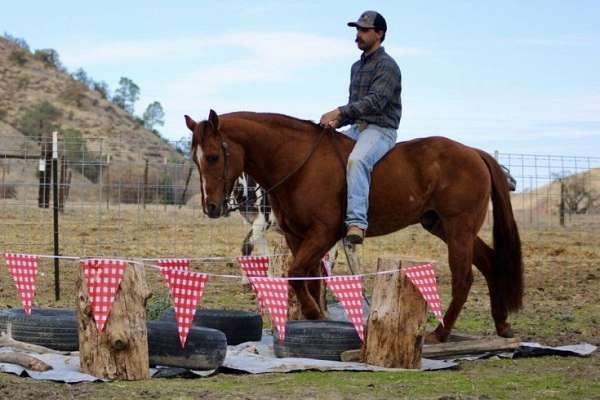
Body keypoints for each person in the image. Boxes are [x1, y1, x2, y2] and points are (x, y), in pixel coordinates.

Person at [320, 10, 402, 244]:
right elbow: (355, 106)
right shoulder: (356, 67)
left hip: (381, 129)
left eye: (364, 30)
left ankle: (357, 222)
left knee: (357, 161)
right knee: (325, 154)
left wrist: (338, 112)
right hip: (357, 127)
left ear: (379, 34)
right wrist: (338, 123)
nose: (358, 34)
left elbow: (375, 102)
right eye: (357, 30)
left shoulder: (388, 66)